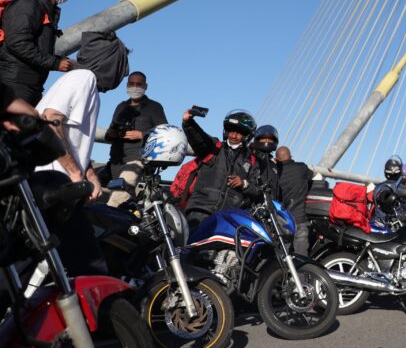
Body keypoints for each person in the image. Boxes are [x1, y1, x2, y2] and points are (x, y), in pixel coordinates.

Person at [35, 31, 130, 276]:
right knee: (88, 264)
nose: (123, 74)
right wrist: (75, 172)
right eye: (121, 65)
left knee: (60, 261)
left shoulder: (85, 82)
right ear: (108, 60)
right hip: (52, 184)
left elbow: (73, 140)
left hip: (61, 186)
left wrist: (90, 175)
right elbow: (50, 121)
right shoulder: (83, 78)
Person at [0, 0, 79, 105]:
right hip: (13, 84)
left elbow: (36, 47)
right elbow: (17, 43)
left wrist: (60, 60)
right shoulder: (29, 4)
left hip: (30, 86)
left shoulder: (45, 8)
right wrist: (55, 63)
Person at [180, 107, 266, 227]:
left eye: (239, 132)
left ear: (247, 134)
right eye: (231, 130)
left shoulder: (252, 160)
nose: (234, 135)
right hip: (199, 212)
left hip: (229, 219)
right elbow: (199, 138)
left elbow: (258, 191)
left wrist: (244, 184)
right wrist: (189, 123)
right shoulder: (213, 148)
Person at [105, 71, 167, 207]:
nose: (135, 87)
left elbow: (164, 132)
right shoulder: (121, 107)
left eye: (138, 84)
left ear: (146, 86)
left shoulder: (154, 107)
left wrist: (142, 134)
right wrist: (114, 133)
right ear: (127, 85)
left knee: (117, 199)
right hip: (116, 160)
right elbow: (109, 134)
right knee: (123, 199)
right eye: (132, 84)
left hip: (138, 159)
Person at [274, 145, 313, 256]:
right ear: (291, 156)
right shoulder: (301, 168)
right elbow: (311, 176)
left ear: (276, 159)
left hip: (283, 220)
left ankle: (282, 272)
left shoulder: (275, 173)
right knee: (301, 256)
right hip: (301, 218)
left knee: (282, 255)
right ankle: (300, 272)